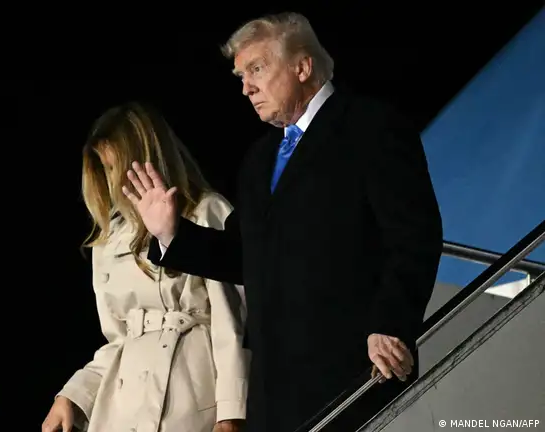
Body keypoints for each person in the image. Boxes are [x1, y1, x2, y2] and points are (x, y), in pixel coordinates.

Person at [121, 12, 443, 432]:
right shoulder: (259, 160)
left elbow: (414, 236)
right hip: (274, 391)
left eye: (256, 69)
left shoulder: (370, 126)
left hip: (355, 372)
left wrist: (391, 325)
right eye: (241, 77)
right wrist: (172, 233)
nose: (246, 88)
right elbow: (246, 256)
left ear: (302, 67)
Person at [42, 102, 250, 432]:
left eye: (117, 168)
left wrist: (231, 413)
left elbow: (232, 322)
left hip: (190, 402)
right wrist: (73, 395)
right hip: (122, 411)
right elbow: (118, 340)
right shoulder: (109, 240)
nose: (111, 181)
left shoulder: (205, 212)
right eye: (105, 169)